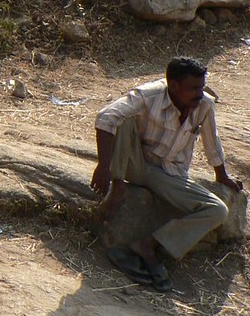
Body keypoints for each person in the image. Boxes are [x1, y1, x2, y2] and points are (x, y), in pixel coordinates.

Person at [90, 56, 244, 292]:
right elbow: (105, 117)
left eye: (202, 86)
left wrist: (221, 176)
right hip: (135, 164)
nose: (200, 93)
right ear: (173, 85)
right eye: (194, 88)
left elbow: (212, 142)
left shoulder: (204, 105)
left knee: (217, 210)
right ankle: (119, 188)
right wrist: (105, 168)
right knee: (123, 118)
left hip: (169, 172)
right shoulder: (148, 96)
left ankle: (148, 245)